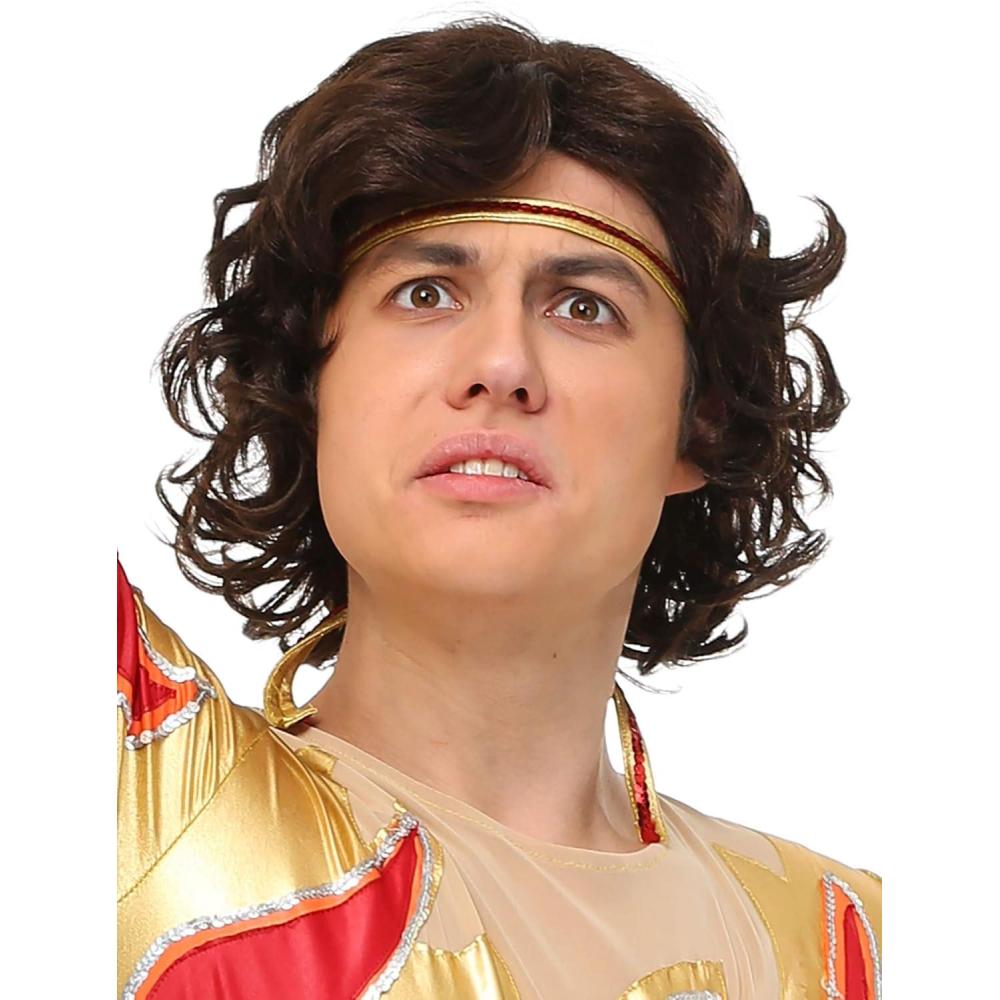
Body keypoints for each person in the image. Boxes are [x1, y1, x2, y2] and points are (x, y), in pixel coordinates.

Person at [117, 15, 881, 1000]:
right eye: (425, 293)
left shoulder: (849, 946)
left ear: (699, 422)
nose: (501, 364)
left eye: (584, 306)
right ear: (309, 384)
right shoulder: (133, 803)